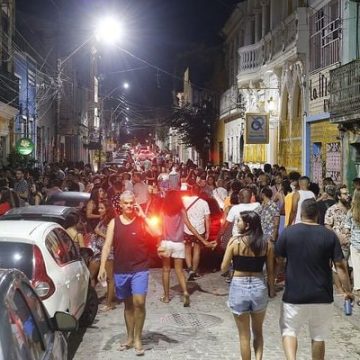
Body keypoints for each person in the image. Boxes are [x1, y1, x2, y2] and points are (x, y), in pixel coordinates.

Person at [275, 199, 353, 360]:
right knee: (318, 336)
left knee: (289, 331)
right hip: (322, 295)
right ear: (318, 215)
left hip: (294, 294)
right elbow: (340, 266)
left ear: (301, 213)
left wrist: (281, 272)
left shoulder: (289, 232)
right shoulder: (329, 235)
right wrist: (347, 290)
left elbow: (279, 259)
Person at [98, 191, 161, 356]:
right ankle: (130, 337)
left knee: (139, 302)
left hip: (140, 268)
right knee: (128, 305)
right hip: (121, 269)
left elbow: (156, 233)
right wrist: (102, 266)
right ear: (121, 204)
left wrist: (144, 215)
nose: (129, 206)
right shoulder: (114, 223)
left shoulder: (141, 221)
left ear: (135, 203)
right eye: (125, 203)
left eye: (131, 203)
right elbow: (107, 246)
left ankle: (138, 338)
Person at [221, 211, 275, 360]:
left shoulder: (235, 242)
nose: (236, 223)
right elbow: (270, 271)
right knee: (258, 332)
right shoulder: (267, 243)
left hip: (238, 286)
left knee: (244, 336)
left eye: (238, 221)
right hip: (259, 286)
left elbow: (223, 267)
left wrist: (233, 265)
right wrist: (271, 290)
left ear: (247, 225)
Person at [158, 190, 212, 306]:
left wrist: (159, 244)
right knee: (179, 270)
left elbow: (161, 229)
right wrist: (203, 240)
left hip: (166, 242)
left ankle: (166, 297)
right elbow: (190, 226)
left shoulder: (163, 210)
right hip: (179, 243)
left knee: (166, 270)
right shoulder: (181, 210)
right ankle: (186, 292)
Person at [89, 200, 116, 311]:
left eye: (101, 208)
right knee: (91, 276)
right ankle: (90, 299)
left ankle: (109, 303)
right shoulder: (102, 220)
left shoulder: (111, 222)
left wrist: (99, 233)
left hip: (108, 252)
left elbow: (113, 240)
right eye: (99, 208)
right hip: (97, 252)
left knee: (110, 279)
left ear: (107, 210)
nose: (99, 210)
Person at [325, 185, 351, 294]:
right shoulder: (332, 209)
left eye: (348, 193)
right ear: (339, 196)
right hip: (338, 243)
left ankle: (349, 288)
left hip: (352, 242)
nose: (348, 195)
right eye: (345, 194)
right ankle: (339, 288)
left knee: (349, 267)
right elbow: (327, 225)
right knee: (337, 267)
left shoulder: (351, 209)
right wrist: (338, 237)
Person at [183, 185, 211, 281]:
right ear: (199, 192)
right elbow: (207, 219)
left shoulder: (185, 201)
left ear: (191, 191)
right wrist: (208, 231)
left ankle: (190, 269)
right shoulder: (204, 203)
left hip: (187, 229)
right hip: (200, 229)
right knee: (197, 250)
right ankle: (194, 271)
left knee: (187, 248)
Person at [344, 189, 360, 303]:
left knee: (357, 268)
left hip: (355, 244)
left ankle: (357, 290)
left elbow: (346, 229)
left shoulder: (351, 212)